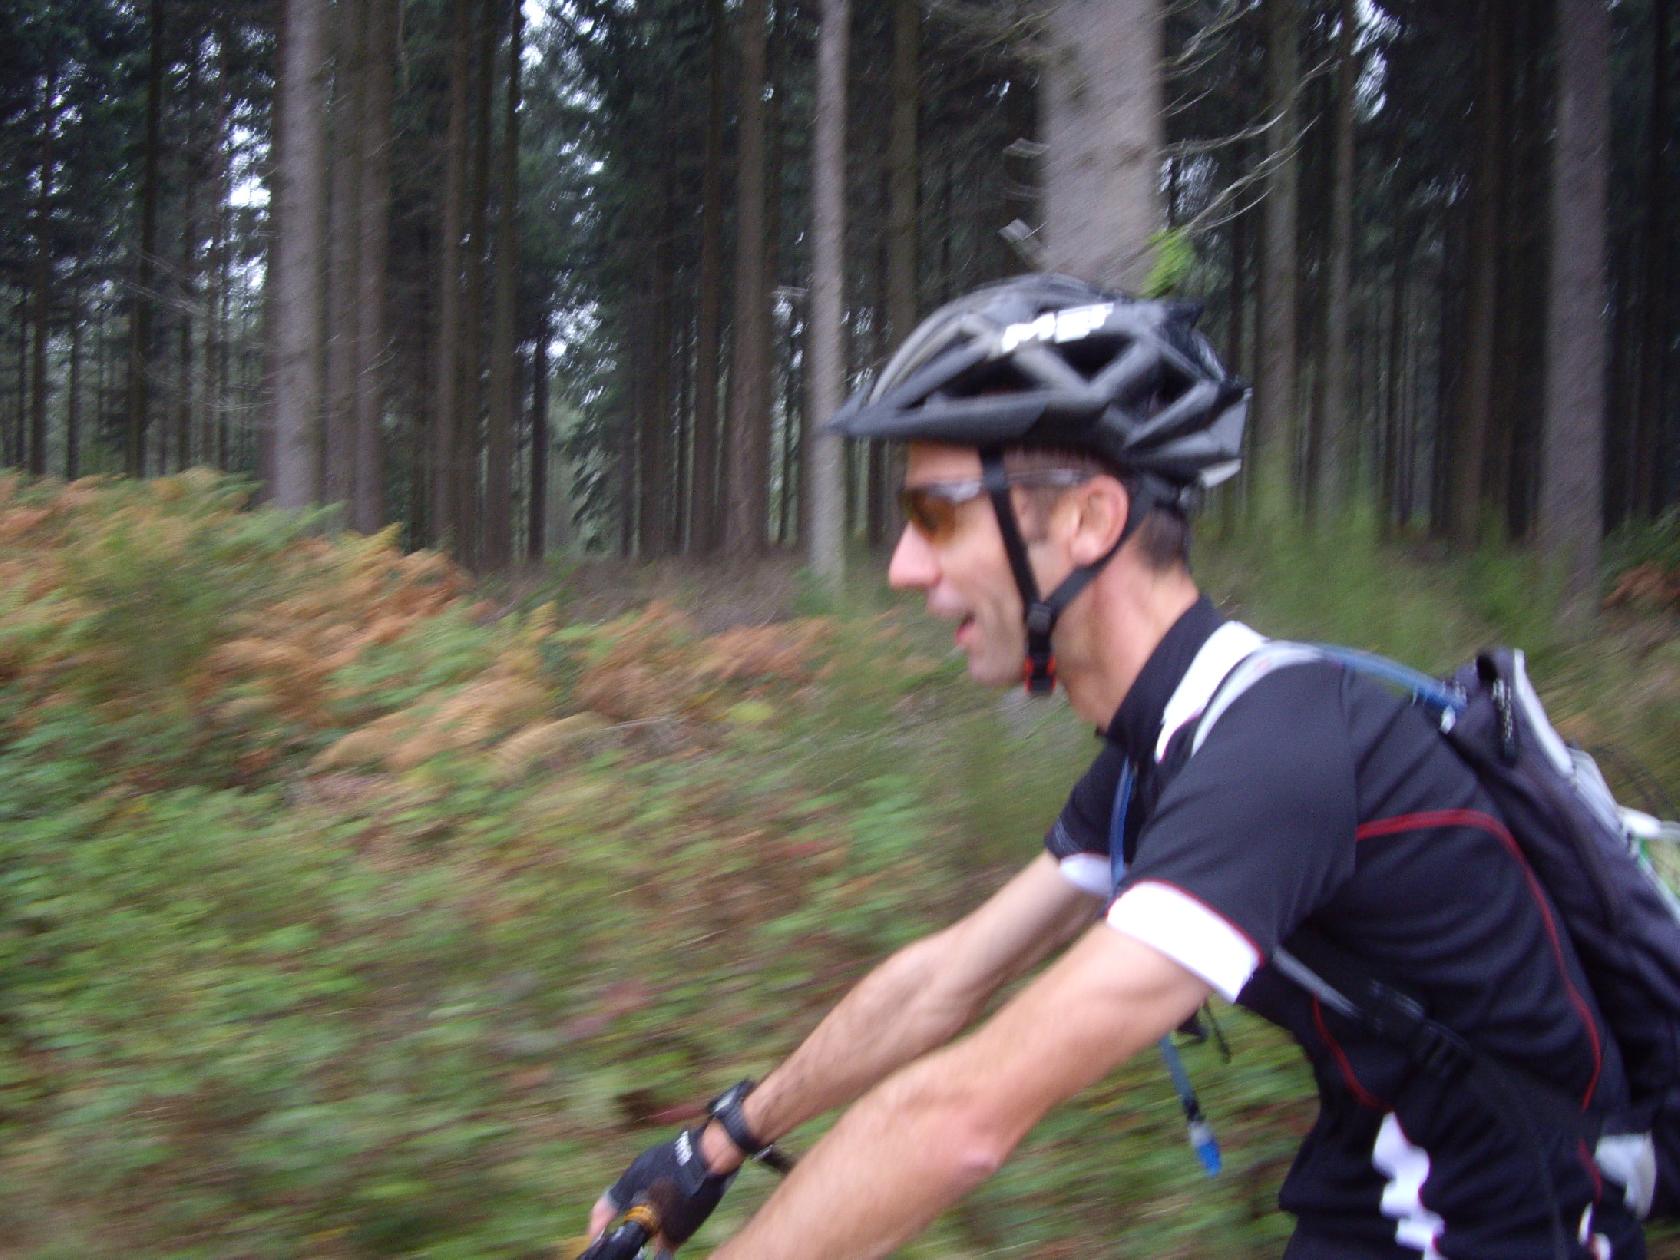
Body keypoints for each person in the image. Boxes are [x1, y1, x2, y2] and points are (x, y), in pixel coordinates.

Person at [586, 274, 1643, 1258]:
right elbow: (942, 983)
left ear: (1090, 519)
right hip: (1368, 1209)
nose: (903, 565)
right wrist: (717, 1143)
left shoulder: (1276, 754)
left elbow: (960, 1118)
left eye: (935, 514)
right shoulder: (1163, 753)